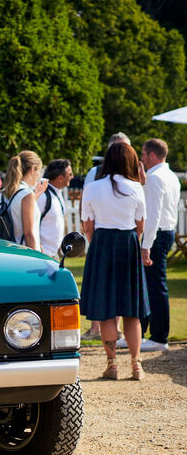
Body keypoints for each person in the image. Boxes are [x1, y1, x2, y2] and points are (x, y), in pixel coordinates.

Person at [79, 142, 149, 380]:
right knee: (132, 311)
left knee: (107, 309)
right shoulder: (137, 188)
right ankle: (136, 364)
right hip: (128, 243)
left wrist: (99, 244)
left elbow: (87, 227)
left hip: (102, 244)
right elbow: (140, 227)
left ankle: (112, 365)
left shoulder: (92, 187)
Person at [81, 133, 135, 341]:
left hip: (115, 237)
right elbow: (86, 209)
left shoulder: (134, 178)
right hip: (104, 236)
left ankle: (117, 329)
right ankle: (96, 327)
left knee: (121, 289)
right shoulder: (94, 174)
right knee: (101, 288)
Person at [135, 138, 180, 352]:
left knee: (155, 286)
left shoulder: (155, 178)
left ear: (152, 155)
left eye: (143, 154)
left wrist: (146, 246)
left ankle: (159, 337)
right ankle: (142, 333)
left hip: (156, 235)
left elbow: (152, 215)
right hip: (166, 232)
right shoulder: (170, 176)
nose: (142, 158)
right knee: (152, 285)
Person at [1, 151, 47, 249]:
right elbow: (28, 234)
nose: (39, 175)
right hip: (25, 252)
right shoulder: (26, 194)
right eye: (39, 170)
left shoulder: (6, 191)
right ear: (33, 169)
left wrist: (36, 195)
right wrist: (36, 256)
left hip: (11, 249)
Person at [38, 159, 73, 258]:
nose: (72, 177)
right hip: (43, 255)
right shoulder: (43, 196)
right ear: (60, 178)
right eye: (70, 174)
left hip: (54, 255)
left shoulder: (58, 193)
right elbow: (32, 222)